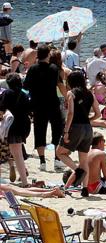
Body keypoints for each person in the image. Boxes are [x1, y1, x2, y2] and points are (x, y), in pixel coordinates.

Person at [56, 71, 100, 196]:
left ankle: (77, 171)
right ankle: (85, 189)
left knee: (59, 153)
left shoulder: (71, 93)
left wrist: (66, 131)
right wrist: (88, 120)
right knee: (83, 160)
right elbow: (98, 114)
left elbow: (70, 113)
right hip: (88, 129)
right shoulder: (90, 94)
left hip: (75, 127)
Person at [23, 44, 66, 172]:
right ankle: (57, 159)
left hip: (38, 104)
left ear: (37, 55)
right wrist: (68, 98)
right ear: (48, 55)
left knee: (39, 131)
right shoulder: (54, 68)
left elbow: (25, 87)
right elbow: (60, 85)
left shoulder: (32, 69)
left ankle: (42, 161)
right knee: (57, 131)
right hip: (52, 103)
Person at [1, 74, 30, 186]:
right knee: (16, 152)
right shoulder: (24, 94)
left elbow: (1, 109)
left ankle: (24, 182)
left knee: (16, 154)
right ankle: (23, 175)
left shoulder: (7, 93)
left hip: (11, 126)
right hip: (23, 126)